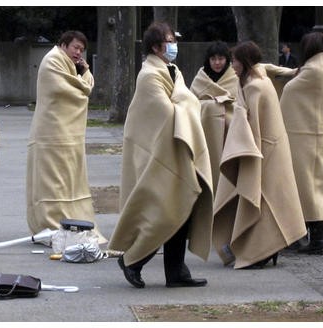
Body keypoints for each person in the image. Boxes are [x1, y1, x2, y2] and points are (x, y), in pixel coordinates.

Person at [108, 22, 213, 288]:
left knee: (182, 209)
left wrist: (186, 103)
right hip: (156, 155)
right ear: (156, 46)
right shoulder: (149, 75)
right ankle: (132, 260)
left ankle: (176, 272)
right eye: (168, 40)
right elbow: (166, 113)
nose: (173, 44)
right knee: (161, 213)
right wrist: (188, 103)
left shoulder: (173, 71)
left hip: (175, 152)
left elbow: (183, 103)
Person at [212, 40, 307, 269]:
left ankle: (262, 251)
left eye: (234, 60)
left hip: (262, 150)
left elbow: (249, 125)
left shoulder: (254, 86)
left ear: (243, 62)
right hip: (270, 148)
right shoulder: (258, 80)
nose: (231, 65)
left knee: (261, 200)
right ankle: (266, 249)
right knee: (267, 200)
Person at [25, 30, 106, 243]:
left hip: (68, 134)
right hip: (50, 133)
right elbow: (76, 92)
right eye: (75, 47)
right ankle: (52, 225)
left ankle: (72, 222)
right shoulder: (52, 61)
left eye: (81, 49)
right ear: (63, 45)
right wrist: (84, 76)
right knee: (53, 182)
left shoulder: (70, 65)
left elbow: (83, 87)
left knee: (71, 180)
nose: (79, 53)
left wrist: (84, 71)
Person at [279, 32, 323, 255]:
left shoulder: (312, 70)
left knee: (306, 186)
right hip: (321, 133)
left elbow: (290, 90)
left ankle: (316, 240)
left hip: (304, 135)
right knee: (320, 184)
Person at [190, 41, 238, 194]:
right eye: (213, 59)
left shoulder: (234, 76)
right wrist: (210, 106)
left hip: (228, 133)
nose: (217, 63)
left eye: (221, 58)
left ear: (227, 59)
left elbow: (240, 104)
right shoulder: (201, 77)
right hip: (204, 132)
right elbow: (190, 102)